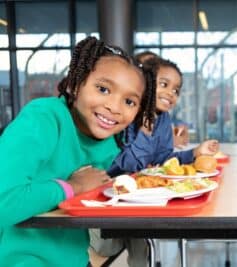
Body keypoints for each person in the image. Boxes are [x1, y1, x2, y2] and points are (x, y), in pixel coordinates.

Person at [0, 36, 155, 267]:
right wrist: (74, 186)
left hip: (75, 258)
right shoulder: (42, 119)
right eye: (103, 89)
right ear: (75, 84)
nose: (114, 107)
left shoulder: (109, 139)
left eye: (129, 102)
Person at [91, 55, 218, 267]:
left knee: (142, 245)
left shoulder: (164, 119)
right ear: (145, 84)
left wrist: (195, 152)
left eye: (176, 90)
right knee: (107, 247)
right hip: (107, 195)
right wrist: (144, 133)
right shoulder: (127, 113)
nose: (171, 93)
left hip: (137, 198)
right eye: (164, 84)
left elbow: (163, 159)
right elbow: (123, 165)